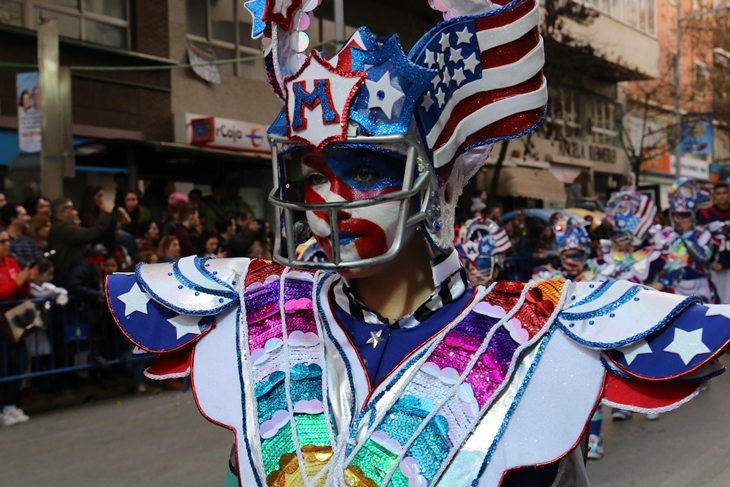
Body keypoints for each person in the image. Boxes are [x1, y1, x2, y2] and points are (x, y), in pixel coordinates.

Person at [105, 3, 730, 486]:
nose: (330, 200)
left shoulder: (539, 331)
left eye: (367, 170)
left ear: (431, 185)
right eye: (314, 173)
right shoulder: (259, 315)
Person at [0, 227, 35, 427]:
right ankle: (4, 407)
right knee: (4, 365)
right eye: (2, 242)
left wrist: (25, 282)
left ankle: (9, 405)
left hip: (15, 321)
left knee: (20, 361)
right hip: (1, 323)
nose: (7, 245)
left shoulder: (12, 261)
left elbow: (22, 290)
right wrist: (16, 284)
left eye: (7, 241)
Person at [47, 197, 114, 279]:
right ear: (62, 212)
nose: (75, 212)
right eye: (71, 209)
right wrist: (106, 214)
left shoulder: (60, 227)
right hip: (68, 276)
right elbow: (92, 234)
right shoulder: (62, 228)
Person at [697, 181, 730, 303]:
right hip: (715, 265)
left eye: (725, 193)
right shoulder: (707, 214)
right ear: (714, 196)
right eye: (719, 193)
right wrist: (710, 262)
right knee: (718, 300)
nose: (722, 196)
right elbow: (702, 241)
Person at [455, 216, 511, 286]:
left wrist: (493, 277)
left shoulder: (489, 251)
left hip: (488, 283)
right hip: (474, 286)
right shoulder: (467, 255)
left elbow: (497, 266)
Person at [1, 204, 42, 269]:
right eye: (24, 215)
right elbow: (14, 262)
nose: (29, 218)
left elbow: (39, 260)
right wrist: (31, 264)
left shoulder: (28, 240)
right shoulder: (4, 242)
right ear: (13, 220)